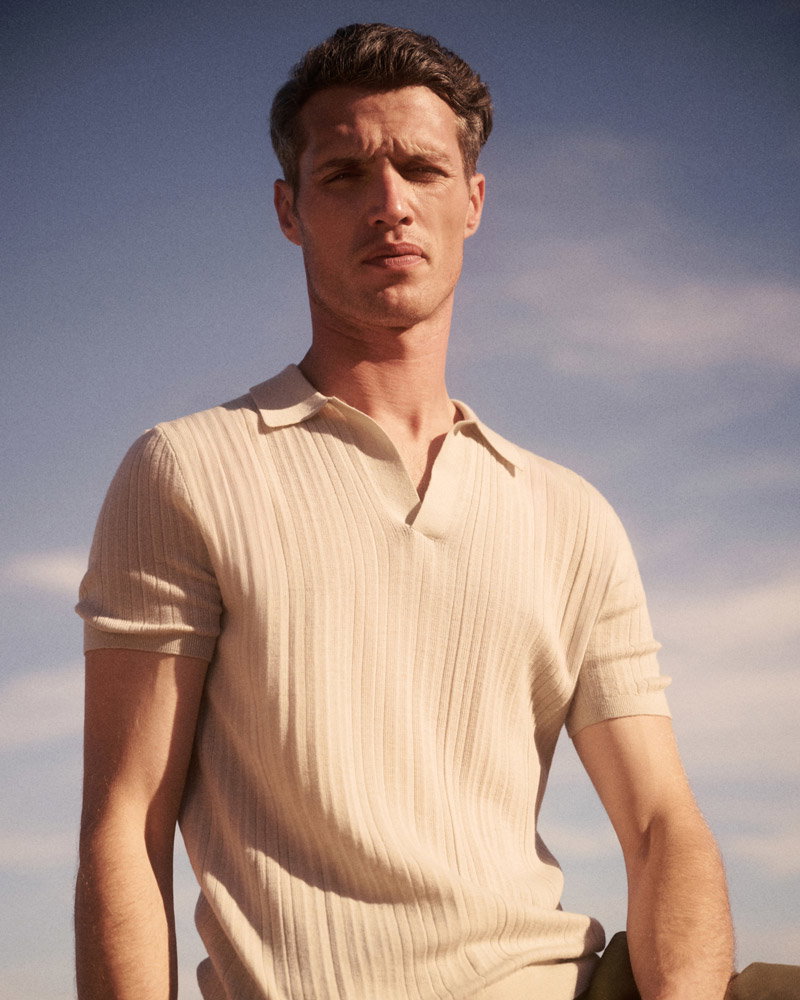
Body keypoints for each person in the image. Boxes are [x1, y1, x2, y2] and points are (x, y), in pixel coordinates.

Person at [76, 22, 787, 1000]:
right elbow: (125, 824)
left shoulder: (567, 514)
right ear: (289, 210)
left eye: (420, 168)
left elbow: (663, 823)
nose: (389, 204)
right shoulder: (185, 471)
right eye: (343, 175)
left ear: (472, 201)